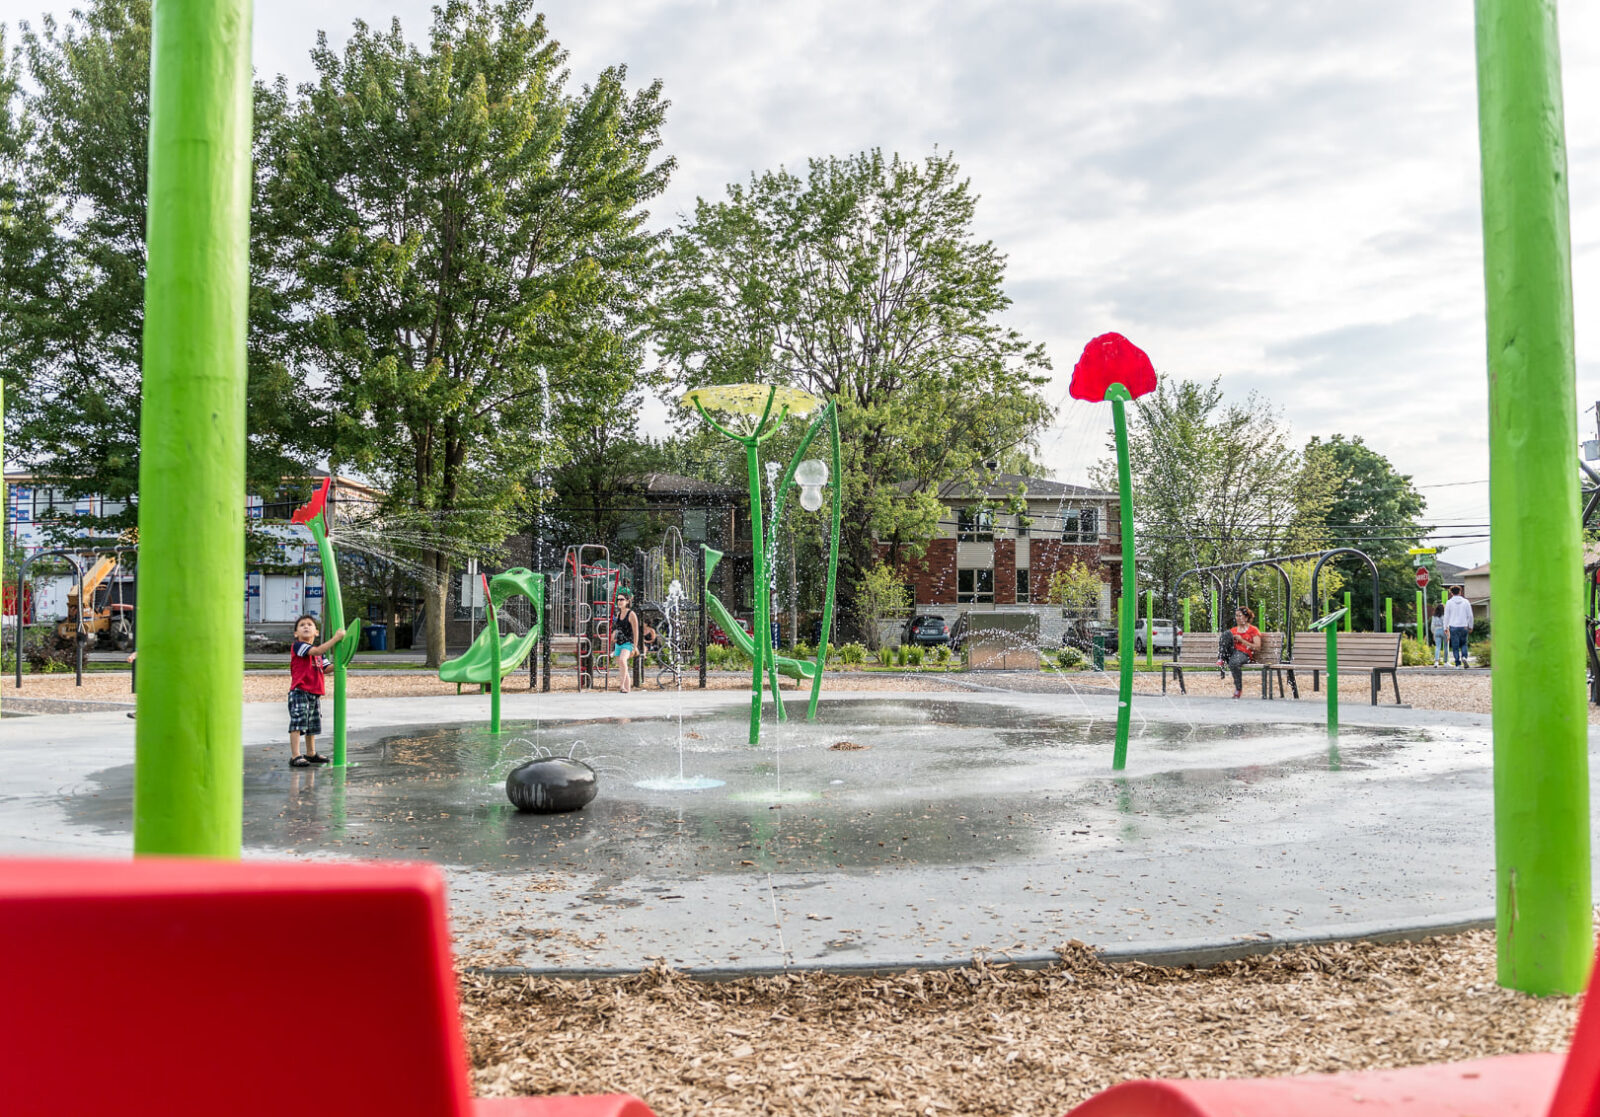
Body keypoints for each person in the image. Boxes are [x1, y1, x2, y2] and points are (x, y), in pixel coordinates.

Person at [288, 613, 345, 767]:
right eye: (302, 625)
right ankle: (295, 755)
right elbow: (316, 651)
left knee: (312, 724)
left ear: (316, 632)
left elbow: (327, 668)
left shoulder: (320, 654)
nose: (306, 626)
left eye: (309, 624)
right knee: (298, 722)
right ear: (296, 634)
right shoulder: (299, 646)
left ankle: (311, 753)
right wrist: (336, 638)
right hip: (300, 691)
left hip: (314, 692)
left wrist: (343, 661)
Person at [1220, 606, 1262, 699]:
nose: (1237, 618)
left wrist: (1242, 640)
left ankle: (1238, 689)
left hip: (1244, 654)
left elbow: (1257, 647)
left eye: (1240, 616)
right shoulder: (1233, 630)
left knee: (1233, 663)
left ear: (1246, 618)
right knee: (1226, 634)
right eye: (1236, 616)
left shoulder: (1253, 630)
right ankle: (1221, 658)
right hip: (1232, 653)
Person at [611, 592, 641, 694]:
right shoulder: (618, 614)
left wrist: (635, 647)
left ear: (627, 601)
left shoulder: (631, 614)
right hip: (619, 643)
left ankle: (621, 686)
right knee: (623, 667)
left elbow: (636, 632)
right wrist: (613, 636)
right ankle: (627, 690)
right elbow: (618, 629)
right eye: (618, 600)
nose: (619, 602)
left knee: (623, 661)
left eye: (622, 599)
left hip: (628, 643)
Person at [1443, 584, 1475, 668]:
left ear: (1451, 593)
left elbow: (1446, 616)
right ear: (1460, 592)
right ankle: (1464, 657)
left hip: (1453, 626)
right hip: (1464, 625)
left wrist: (1445, 627)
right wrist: (1470, 626)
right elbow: (1470, 615)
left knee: (1455, 646)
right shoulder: (1466, 602)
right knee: (1464, 643)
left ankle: (1457, 664)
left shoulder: (1449, 602)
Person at [1430, 603, 1447, 667]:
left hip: (1436, 630)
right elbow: (1446, 624)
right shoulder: (1445, 615)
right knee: (1445, 646)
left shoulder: (1434, 616)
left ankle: (1436, 662)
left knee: (1437, 647)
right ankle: (1445, 662)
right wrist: (1448, 632)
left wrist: (1433, 633)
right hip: (1444, 630)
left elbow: (1432, 625)